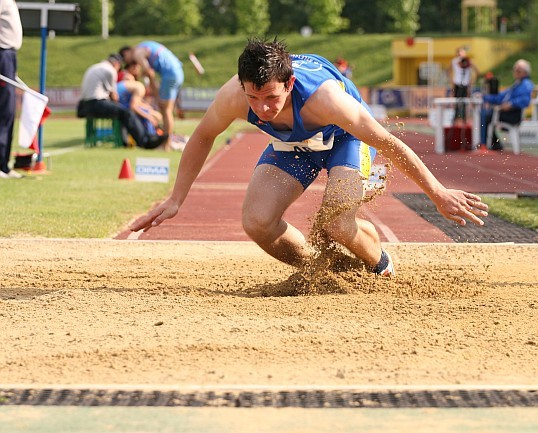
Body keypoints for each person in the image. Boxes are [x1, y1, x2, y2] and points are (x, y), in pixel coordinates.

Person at [130, 38, 489, 277]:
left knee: (336, 223)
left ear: (288, 84)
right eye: (253, 98)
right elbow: (203, 135)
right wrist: (177, 198)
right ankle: (325, 271)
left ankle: (380, 264)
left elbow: (388, 141)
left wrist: (437, 192)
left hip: (345, 139)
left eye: (270, 97)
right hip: (296, 145)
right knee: (256, 222)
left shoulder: (325, 99)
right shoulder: (235, 96)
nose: (262, 108)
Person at [76, 54, 168, 149]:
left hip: (84, 106)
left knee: (122, 112)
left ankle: (125, 141)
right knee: (127, 113)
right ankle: (145, 141)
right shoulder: (110, 70)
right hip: (97, 104)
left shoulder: (95, 67)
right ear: (116, 64)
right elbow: (114, 96)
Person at [119, 42, 184, 151]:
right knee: (166, 109)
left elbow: (150, 74)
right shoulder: (145, 45)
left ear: (126, 53)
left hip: (171, 76)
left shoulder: (137, 53)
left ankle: (166, 144)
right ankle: (167, 142)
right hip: (177, 73)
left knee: (166, 110)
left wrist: (157, 95)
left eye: (125, 60)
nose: (128, 63)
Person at [479, 59, 534, 150]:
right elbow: (500, 97)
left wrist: (511, 104)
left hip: (513, 114)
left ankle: (486, 144)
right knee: (486, 114)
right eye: (515, 70)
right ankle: (492, 143)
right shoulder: (516, 84)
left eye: (518, 70)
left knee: (485, 115)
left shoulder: (526, 84)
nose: (515, 72)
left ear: (525, 72)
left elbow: (525, 100)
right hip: (507, 112)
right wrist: (483, 96)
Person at [0, 0, 22, 179]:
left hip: (9, 55)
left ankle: (4, 165)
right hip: (3, 53)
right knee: (4, 111)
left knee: (8, 113)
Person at [117, 61, 164, 138]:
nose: (138, 69)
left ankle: (155, 134)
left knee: (154, 113)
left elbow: (134, 101)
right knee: (156, 116)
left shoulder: (129, 79)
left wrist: (146, 106)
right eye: (136, 67)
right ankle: (150, 137)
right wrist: (149, 117)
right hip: (124, 108)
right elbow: (133, 106)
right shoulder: (131, 80)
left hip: (122, 106)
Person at [448, 47, 480, 122]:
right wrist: (451, 80)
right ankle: (455, 119)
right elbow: (448, 70)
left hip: (465, 85)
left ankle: (464, 120)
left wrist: (471, 82)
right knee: (456, 102)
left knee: (465, 103)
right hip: (457, 84)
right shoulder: (454, 61)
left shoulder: (468, 62)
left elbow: (477, 72)